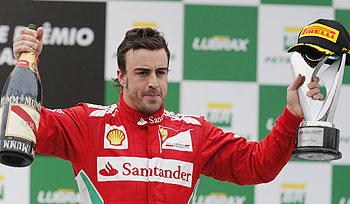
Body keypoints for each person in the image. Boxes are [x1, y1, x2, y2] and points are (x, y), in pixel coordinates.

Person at [13, 26, 323, 204]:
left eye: (161, 72)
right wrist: (27, 61)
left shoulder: (193, 132)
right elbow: (22, 124)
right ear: (121, 76)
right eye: (142, 72)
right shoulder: (86, 124)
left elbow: (257, 166)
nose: (153, 82)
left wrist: (292, 114)